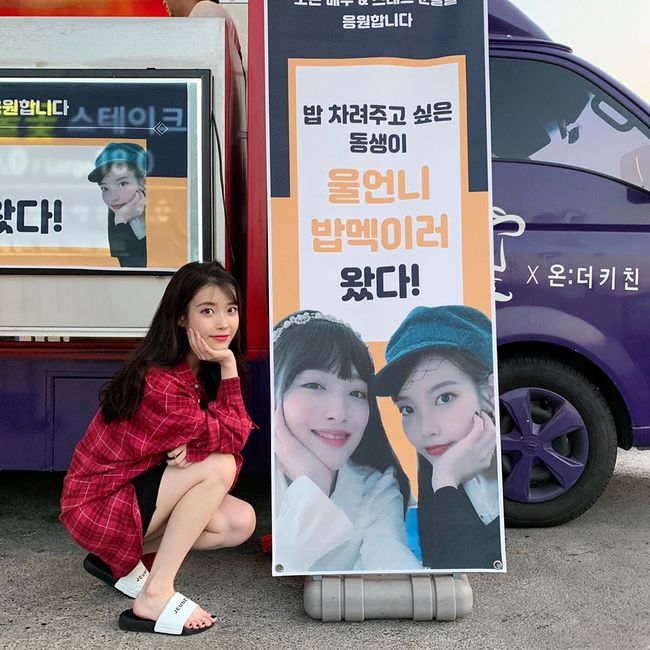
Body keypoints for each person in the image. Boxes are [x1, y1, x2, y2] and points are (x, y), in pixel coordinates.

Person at [60, 260, 256, 636]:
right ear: (181, 318)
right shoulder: (161, 381)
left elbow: (231, 434)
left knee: (239, 522)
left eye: (231, 310)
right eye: (207, 311)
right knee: (219, 466)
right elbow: (234, 439)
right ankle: (155, 593)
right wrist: (229, 366)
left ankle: (120, 561)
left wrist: (201, 442)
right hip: (98, 505)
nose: (223, 324)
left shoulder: (202, 368)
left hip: (135, 489)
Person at [273, 310, 421, 573]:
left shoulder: (378, 488)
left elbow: (392, 562)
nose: (339, 413)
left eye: (356, 393)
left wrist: (313, 484)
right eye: (314, 386)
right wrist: (314, 486)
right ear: (276, 391)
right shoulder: (253, 480)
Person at [374, 305, 502, 570]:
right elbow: (441, 563)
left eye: (445, 398)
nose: (426, 429)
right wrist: (445, 481)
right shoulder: (440, 459)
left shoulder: (511, 471)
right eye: (407, 409)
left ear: (489, 391)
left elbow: (465, 565)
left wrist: (445, 481)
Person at [88, 142, 148, 268]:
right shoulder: (118, 216)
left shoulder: (166, 219)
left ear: (144, 181)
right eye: (105, 188)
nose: (113, 198)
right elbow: (129, 267)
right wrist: (121, 220)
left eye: (122, 184)